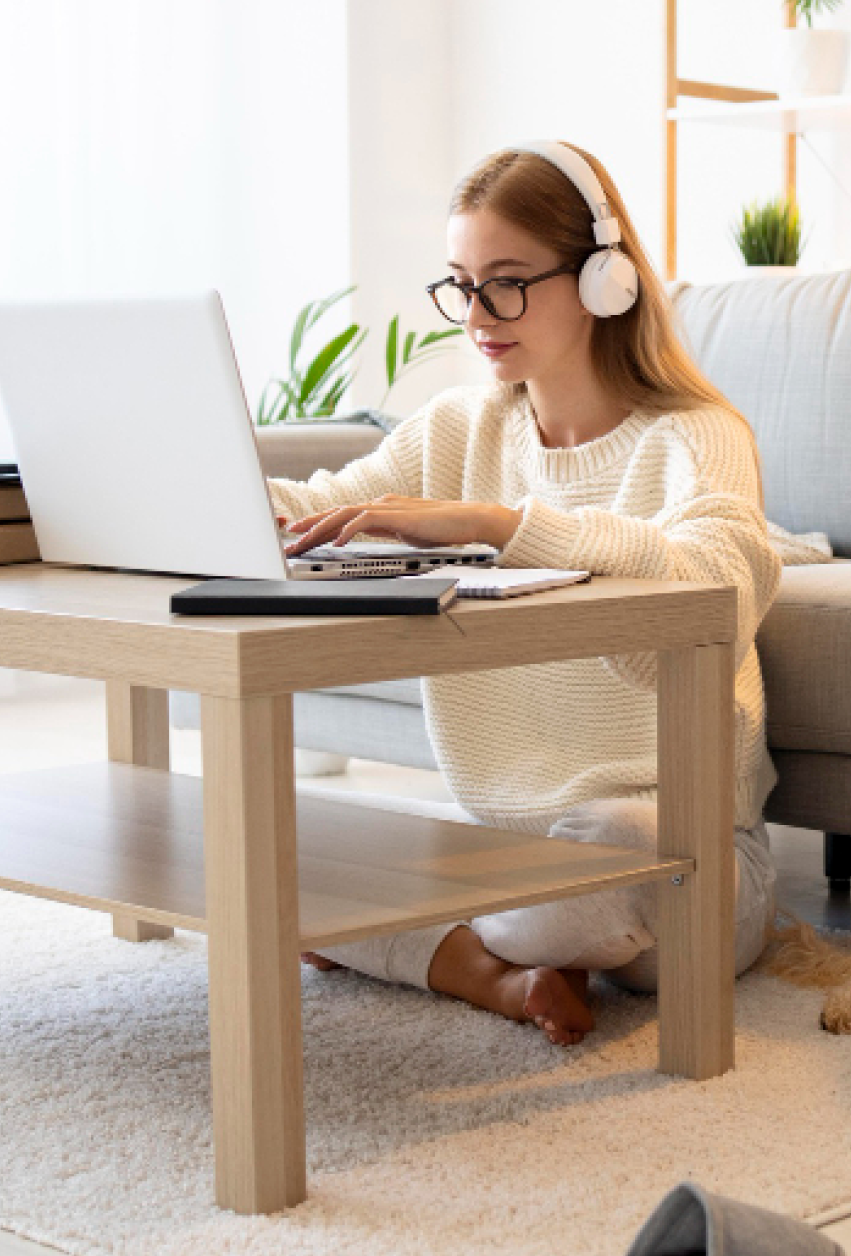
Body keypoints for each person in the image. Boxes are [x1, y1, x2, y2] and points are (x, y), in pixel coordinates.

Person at [268, 141, 784, 1046]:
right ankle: (507, 975)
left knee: (617, 843)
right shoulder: (458, 426)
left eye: (505, 281)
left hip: (676, 856)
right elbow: (315, 509)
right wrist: (191, 479)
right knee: (273, 852)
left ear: (604, 280)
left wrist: (506, 525)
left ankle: (447, 954)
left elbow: (720, 580)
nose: (476, 315)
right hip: (501, 852)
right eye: (460, 284)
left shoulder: (698, 436)